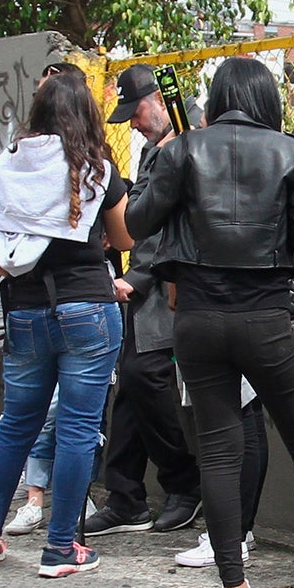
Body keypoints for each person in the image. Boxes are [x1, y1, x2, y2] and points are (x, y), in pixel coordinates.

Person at [125, 56, 294, 588]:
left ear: (219, 95)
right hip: (264, 319)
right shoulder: (288, 150)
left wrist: (164, 172)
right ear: (265, 98)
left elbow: (140, 221)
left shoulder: (181, 149)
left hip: (195, 319)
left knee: (220, 451)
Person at [0, 74, 131, 578]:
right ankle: (61, 548)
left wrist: (17, 271)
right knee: (79, 429)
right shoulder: (97, 168)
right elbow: (124, 238)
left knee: (16, 425)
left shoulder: (3, 166)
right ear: (85, 115)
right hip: (87, 310)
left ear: (35, 113)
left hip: (25, 311)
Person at [86, 64, 203, 537]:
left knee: (143, 375)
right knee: (131, 383)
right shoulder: (159, 145)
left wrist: (137, 274)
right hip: (151, 285)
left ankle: (181, 483)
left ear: (157, 99)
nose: (132, 124)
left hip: (174, 286)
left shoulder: (192, 139)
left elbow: (172, 223)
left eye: (135, 113)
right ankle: (125, 494)